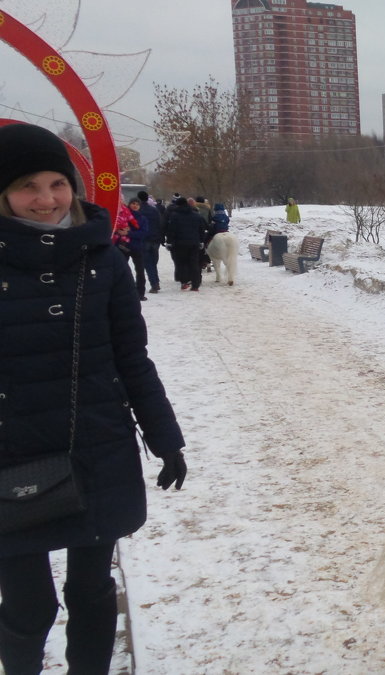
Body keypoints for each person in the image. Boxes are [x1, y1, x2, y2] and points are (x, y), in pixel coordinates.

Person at [0, 123, 188, 674]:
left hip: (96, 447)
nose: (45, 199)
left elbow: (132, 359)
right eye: (27, 186)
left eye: (57, 183)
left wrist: (165, 439)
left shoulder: (103, 260)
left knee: (92, 589)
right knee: (28, 603)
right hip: (12, 452)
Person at [165, 196, 206, 291]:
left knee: (182, 263)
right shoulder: (196, 215)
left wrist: (169, 242)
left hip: (179, 244)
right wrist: (201, 241)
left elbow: (171, 230)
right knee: (194, 263)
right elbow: (202, 229)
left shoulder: (174, 216)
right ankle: (195, 285)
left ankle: (184, 282)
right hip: (194, 244)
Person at [136, 191, 164, 294]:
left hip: (144, 240)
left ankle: (154, 284)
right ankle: (156, 281)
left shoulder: (138, 211)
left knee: (148, 263)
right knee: (153, 262)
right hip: (155, 240)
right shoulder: (154, 210)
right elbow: (160, 223)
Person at [126, 198, 150, 300]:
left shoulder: (142, 218)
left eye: (137, 204)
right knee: (123, 270)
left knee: (140, 271)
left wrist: (129, 233)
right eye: (133, 204)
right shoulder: (124, 215)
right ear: (129, 204)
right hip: (123, 247)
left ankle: (140, 293)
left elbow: (143, 233)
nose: (135, 206)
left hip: (137, 247)